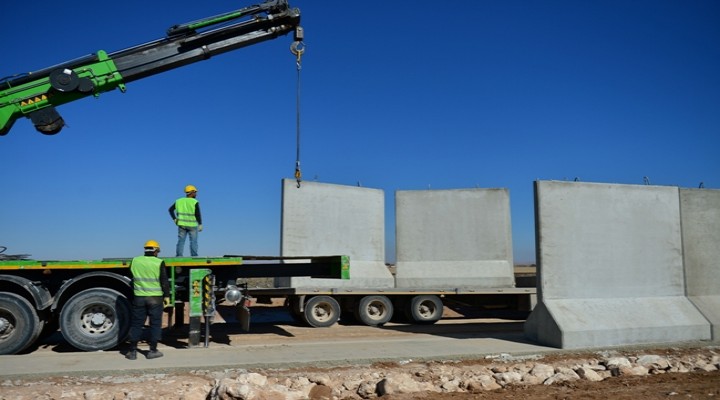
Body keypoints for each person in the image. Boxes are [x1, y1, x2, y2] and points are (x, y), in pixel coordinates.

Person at [126, 240, 171, 360]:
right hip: (155, 298)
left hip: (139, 297)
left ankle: (133, 352)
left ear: (145, 249)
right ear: (156, 251)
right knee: (155, 324)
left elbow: (131, 275)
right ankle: (153, 351)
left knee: (137, 324)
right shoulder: (159, 262)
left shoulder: (135, 260)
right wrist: (167, 296)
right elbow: (164, 281)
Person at [169, 184, 203, 257]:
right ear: (191, 192)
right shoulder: (194, 202)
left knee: (181, 241)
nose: (196, 194)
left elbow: (170, 210)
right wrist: (200, 224)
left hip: (181, 225)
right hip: (192, 226)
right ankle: (194, 256)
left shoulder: (178, 201)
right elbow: (198, 214)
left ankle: (179, 256)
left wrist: (174, 219)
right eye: (195, 192)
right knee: (193, 242)